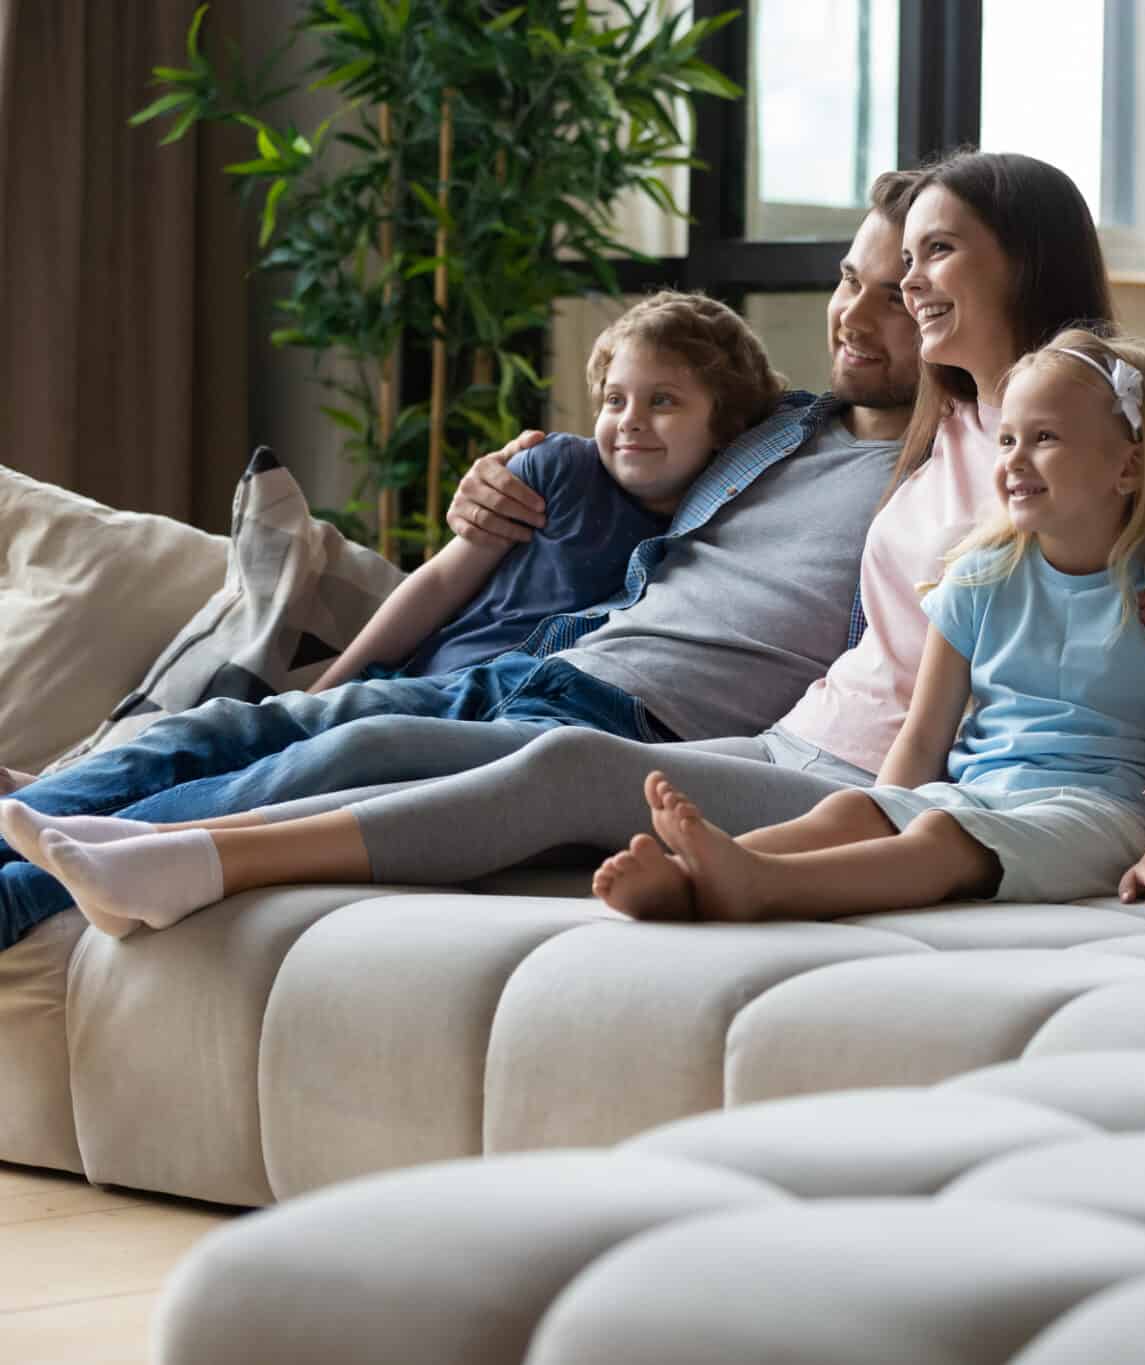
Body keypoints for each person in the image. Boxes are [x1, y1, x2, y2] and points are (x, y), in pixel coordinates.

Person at [3, 152, 1145, 938]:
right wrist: (512, 482)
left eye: (933, 258)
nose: (899, 292)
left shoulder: (1062, 442)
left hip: (858, 776)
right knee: (373, 733)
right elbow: (664, 442)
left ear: (1025, 264)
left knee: (556, 766)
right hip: (789, 742)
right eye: (895, 267)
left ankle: (176, 861)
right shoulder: (925, 430)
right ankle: (110, 849)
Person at [0, 177, 925, 948]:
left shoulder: (941, 475)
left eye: (899, 294)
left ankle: (27, 887)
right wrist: (516, 471)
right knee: (226, 730)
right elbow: (644, 443)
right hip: (550, 665)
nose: (856, 314)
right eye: (851, 278)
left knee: (325, 757)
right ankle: (36, 817)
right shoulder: (780, 430)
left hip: (629, 725)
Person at [593, 328, 1145, 922]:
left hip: (1095, 815)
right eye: (1008, 438)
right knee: (856, 806)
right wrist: (885, 810)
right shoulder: (976, 579)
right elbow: (923, 736)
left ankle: (759, 883)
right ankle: (688, 879)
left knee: (939, 837)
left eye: (1045, 439)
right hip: (977, 795)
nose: (1014, 460)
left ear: (1126, 467)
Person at [312, 290, 779, 691]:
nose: (629, 420)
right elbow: (438, 583)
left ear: (727, 424)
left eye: (662, 400)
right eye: (615, 400)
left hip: (524, 717)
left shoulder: (722, 536)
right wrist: (324, 689)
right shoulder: (558, 469)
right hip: (428, 684)